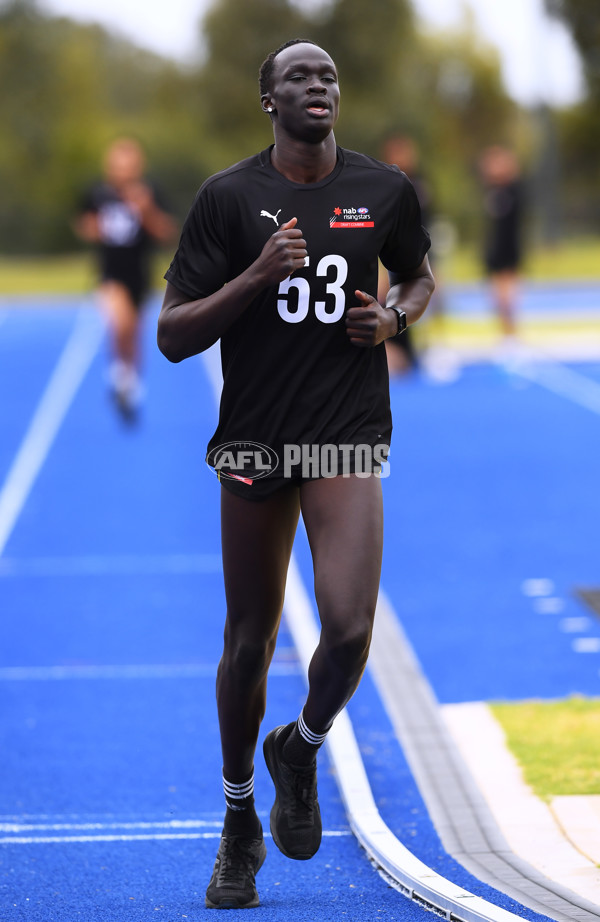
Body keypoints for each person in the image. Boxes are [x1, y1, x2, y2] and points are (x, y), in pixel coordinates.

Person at [158, 39, 434, 910]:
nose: (318, 87)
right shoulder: (229, 199)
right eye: (298, 78)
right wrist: (255, 275)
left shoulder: (382, 189)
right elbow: (173, 334)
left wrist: (391, 315)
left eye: (329, 77)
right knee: (249, 640)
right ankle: (239, 820)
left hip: (345, 433)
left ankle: (301, 749)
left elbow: (421, 276)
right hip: (254, 442)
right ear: (268, 101)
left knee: (350, 630)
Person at [75, 137, 177, 419]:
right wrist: (94, 228)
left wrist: (146, 211)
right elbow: (84, 224)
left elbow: (166, 232)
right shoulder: (98, 193)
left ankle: (128, 379)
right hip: (110, 272)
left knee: (134, 331)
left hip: (139, 273)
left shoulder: (149, 192)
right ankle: (120, 374)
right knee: (119, 322)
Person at [479, 145, 524, 344]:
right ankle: (505, 333)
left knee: (507, 298)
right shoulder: (492, 191)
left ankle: (511, 334)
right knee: (496, 298)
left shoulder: (514, 190)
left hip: (510, 249)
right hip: (494, 250)